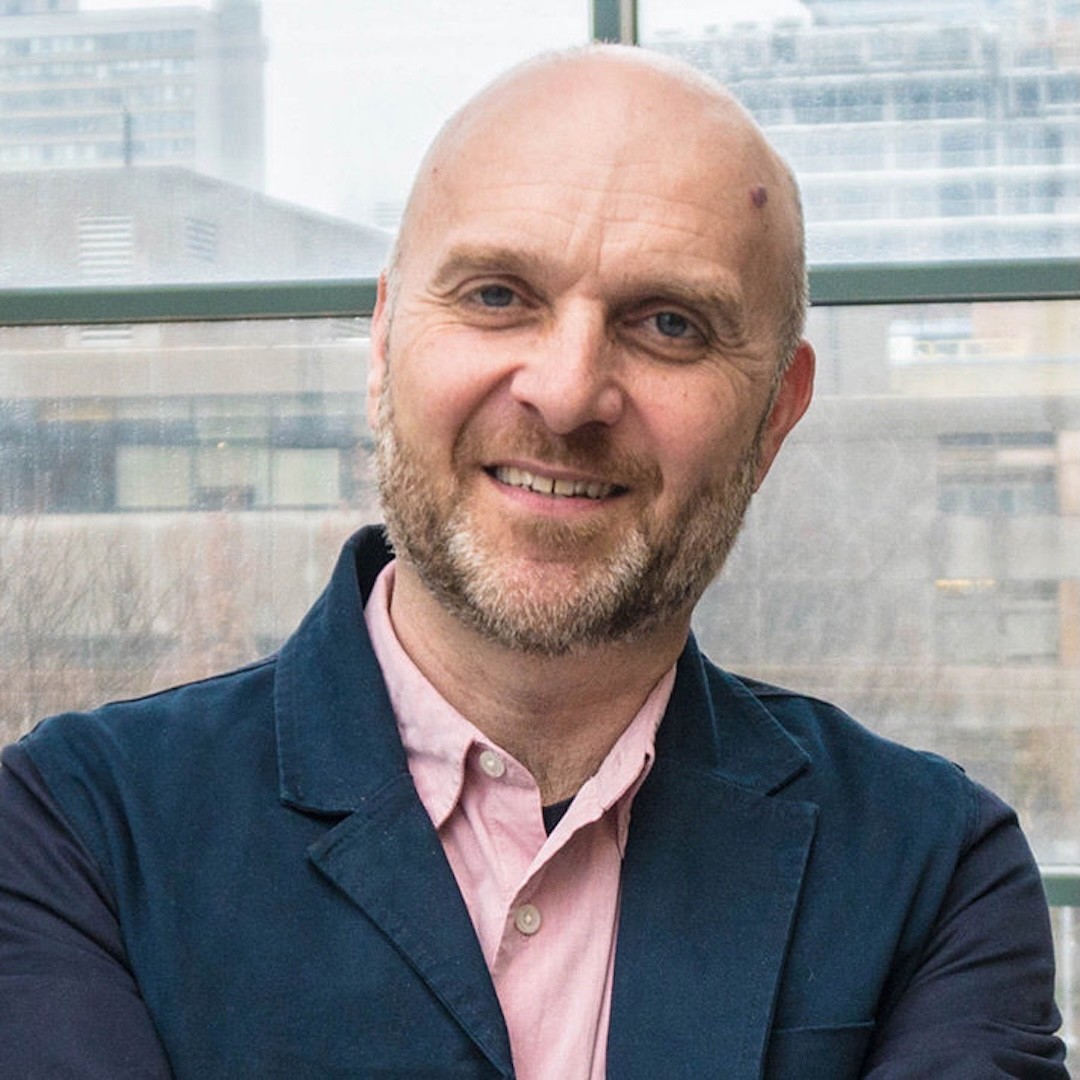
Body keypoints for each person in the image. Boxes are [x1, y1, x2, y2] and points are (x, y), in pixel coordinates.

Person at [0, 45, 1067, 1080]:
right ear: (384, 341)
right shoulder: (73, 836)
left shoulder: (935, 875)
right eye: (497, 296)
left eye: (668, 324)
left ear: (777, 413)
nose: (565, 392)